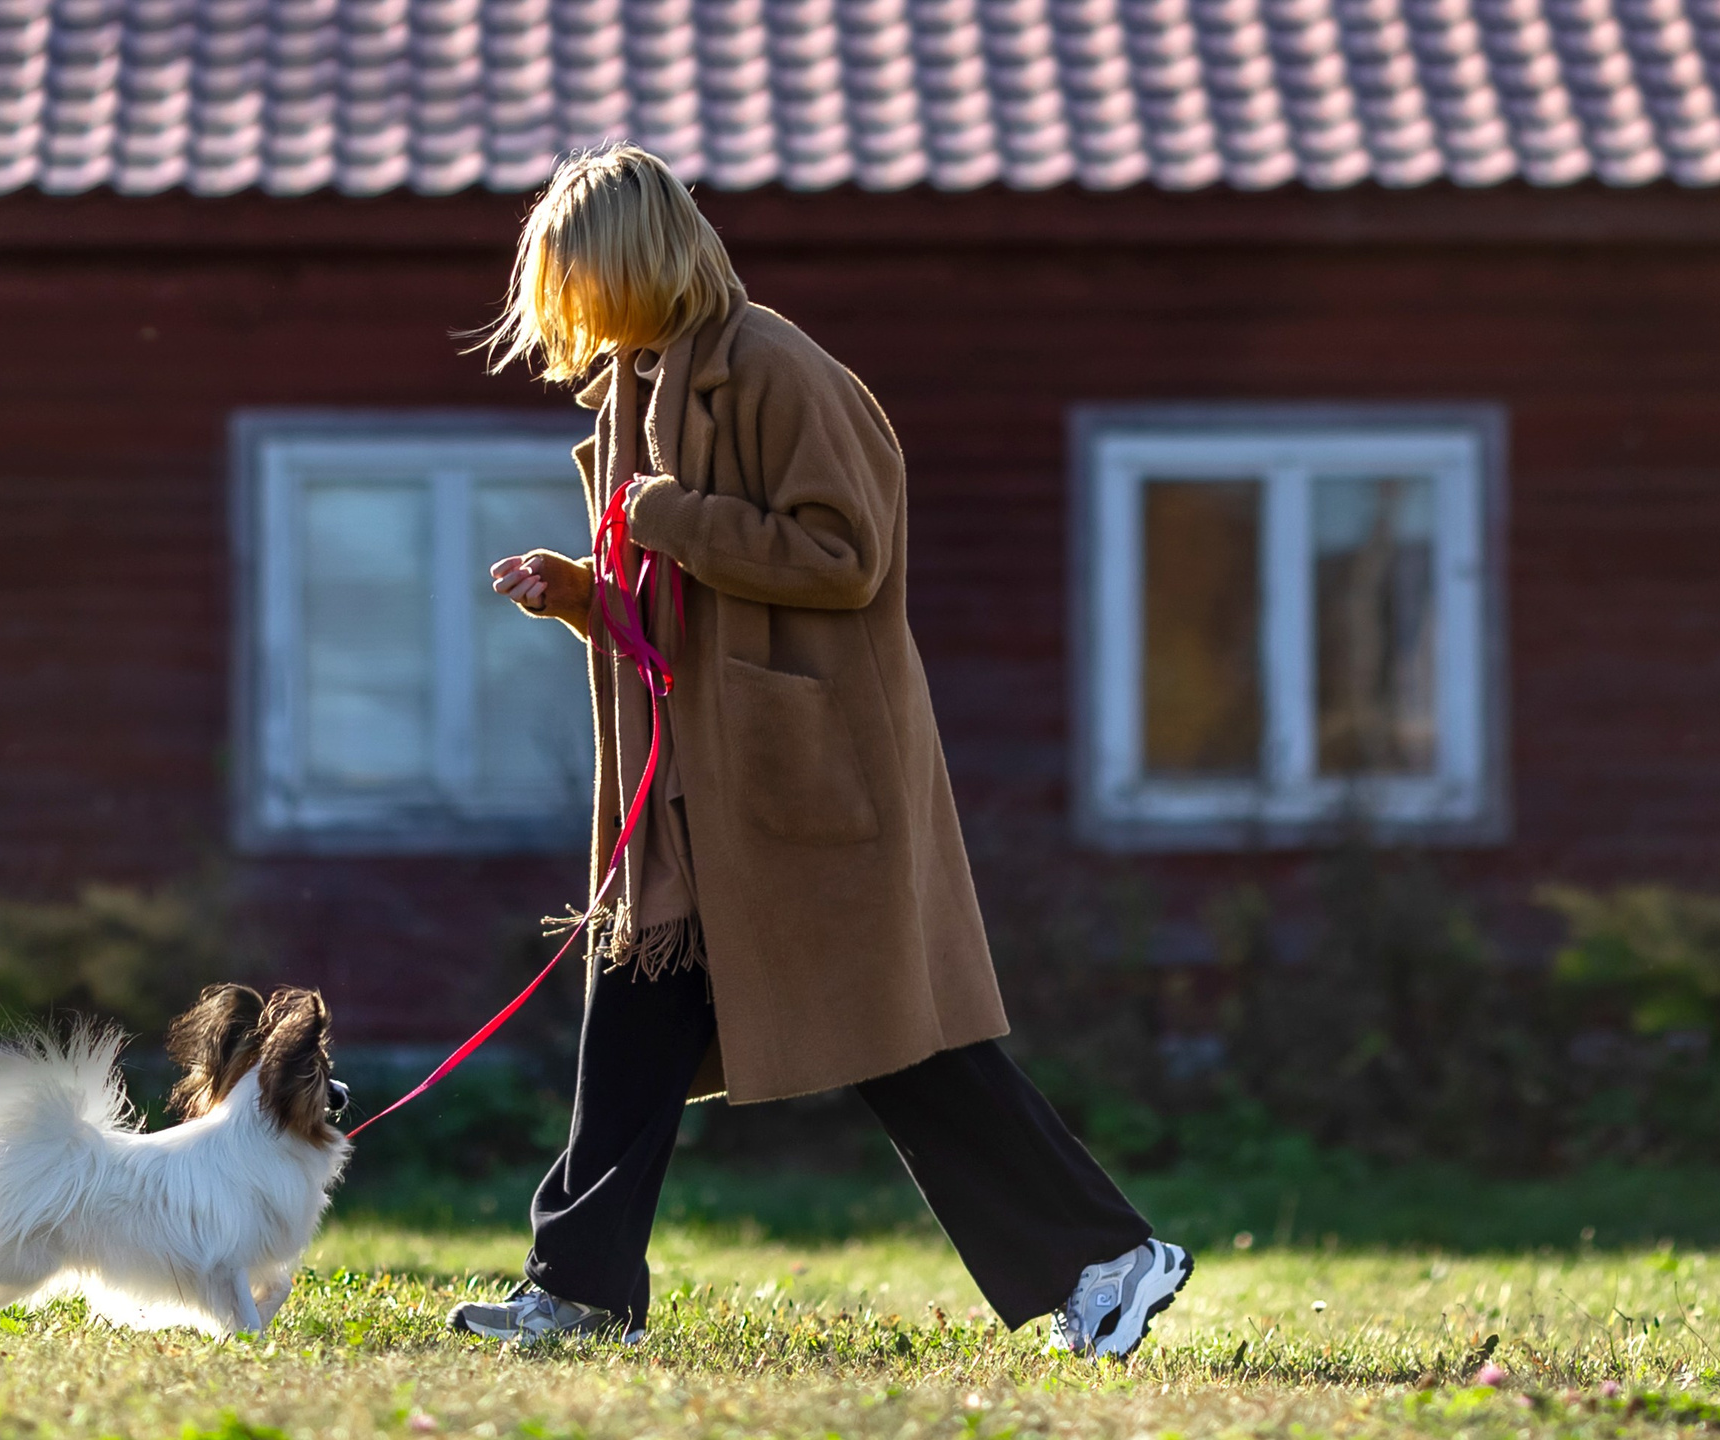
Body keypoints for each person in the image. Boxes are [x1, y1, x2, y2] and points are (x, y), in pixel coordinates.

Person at [446, 144, 1192, 1360]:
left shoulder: (777, 371)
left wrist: (665, 516)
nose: (567, 315)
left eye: (579, 281)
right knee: (628, 1030)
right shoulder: (645, 382)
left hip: (804, 780)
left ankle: (1105, 1256)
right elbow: (689, 597)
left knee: (903, 1046)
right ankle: (577, 1288)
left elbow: (841, 557)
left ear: (636, 260)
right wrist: (583, 593)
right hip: (697, 792)